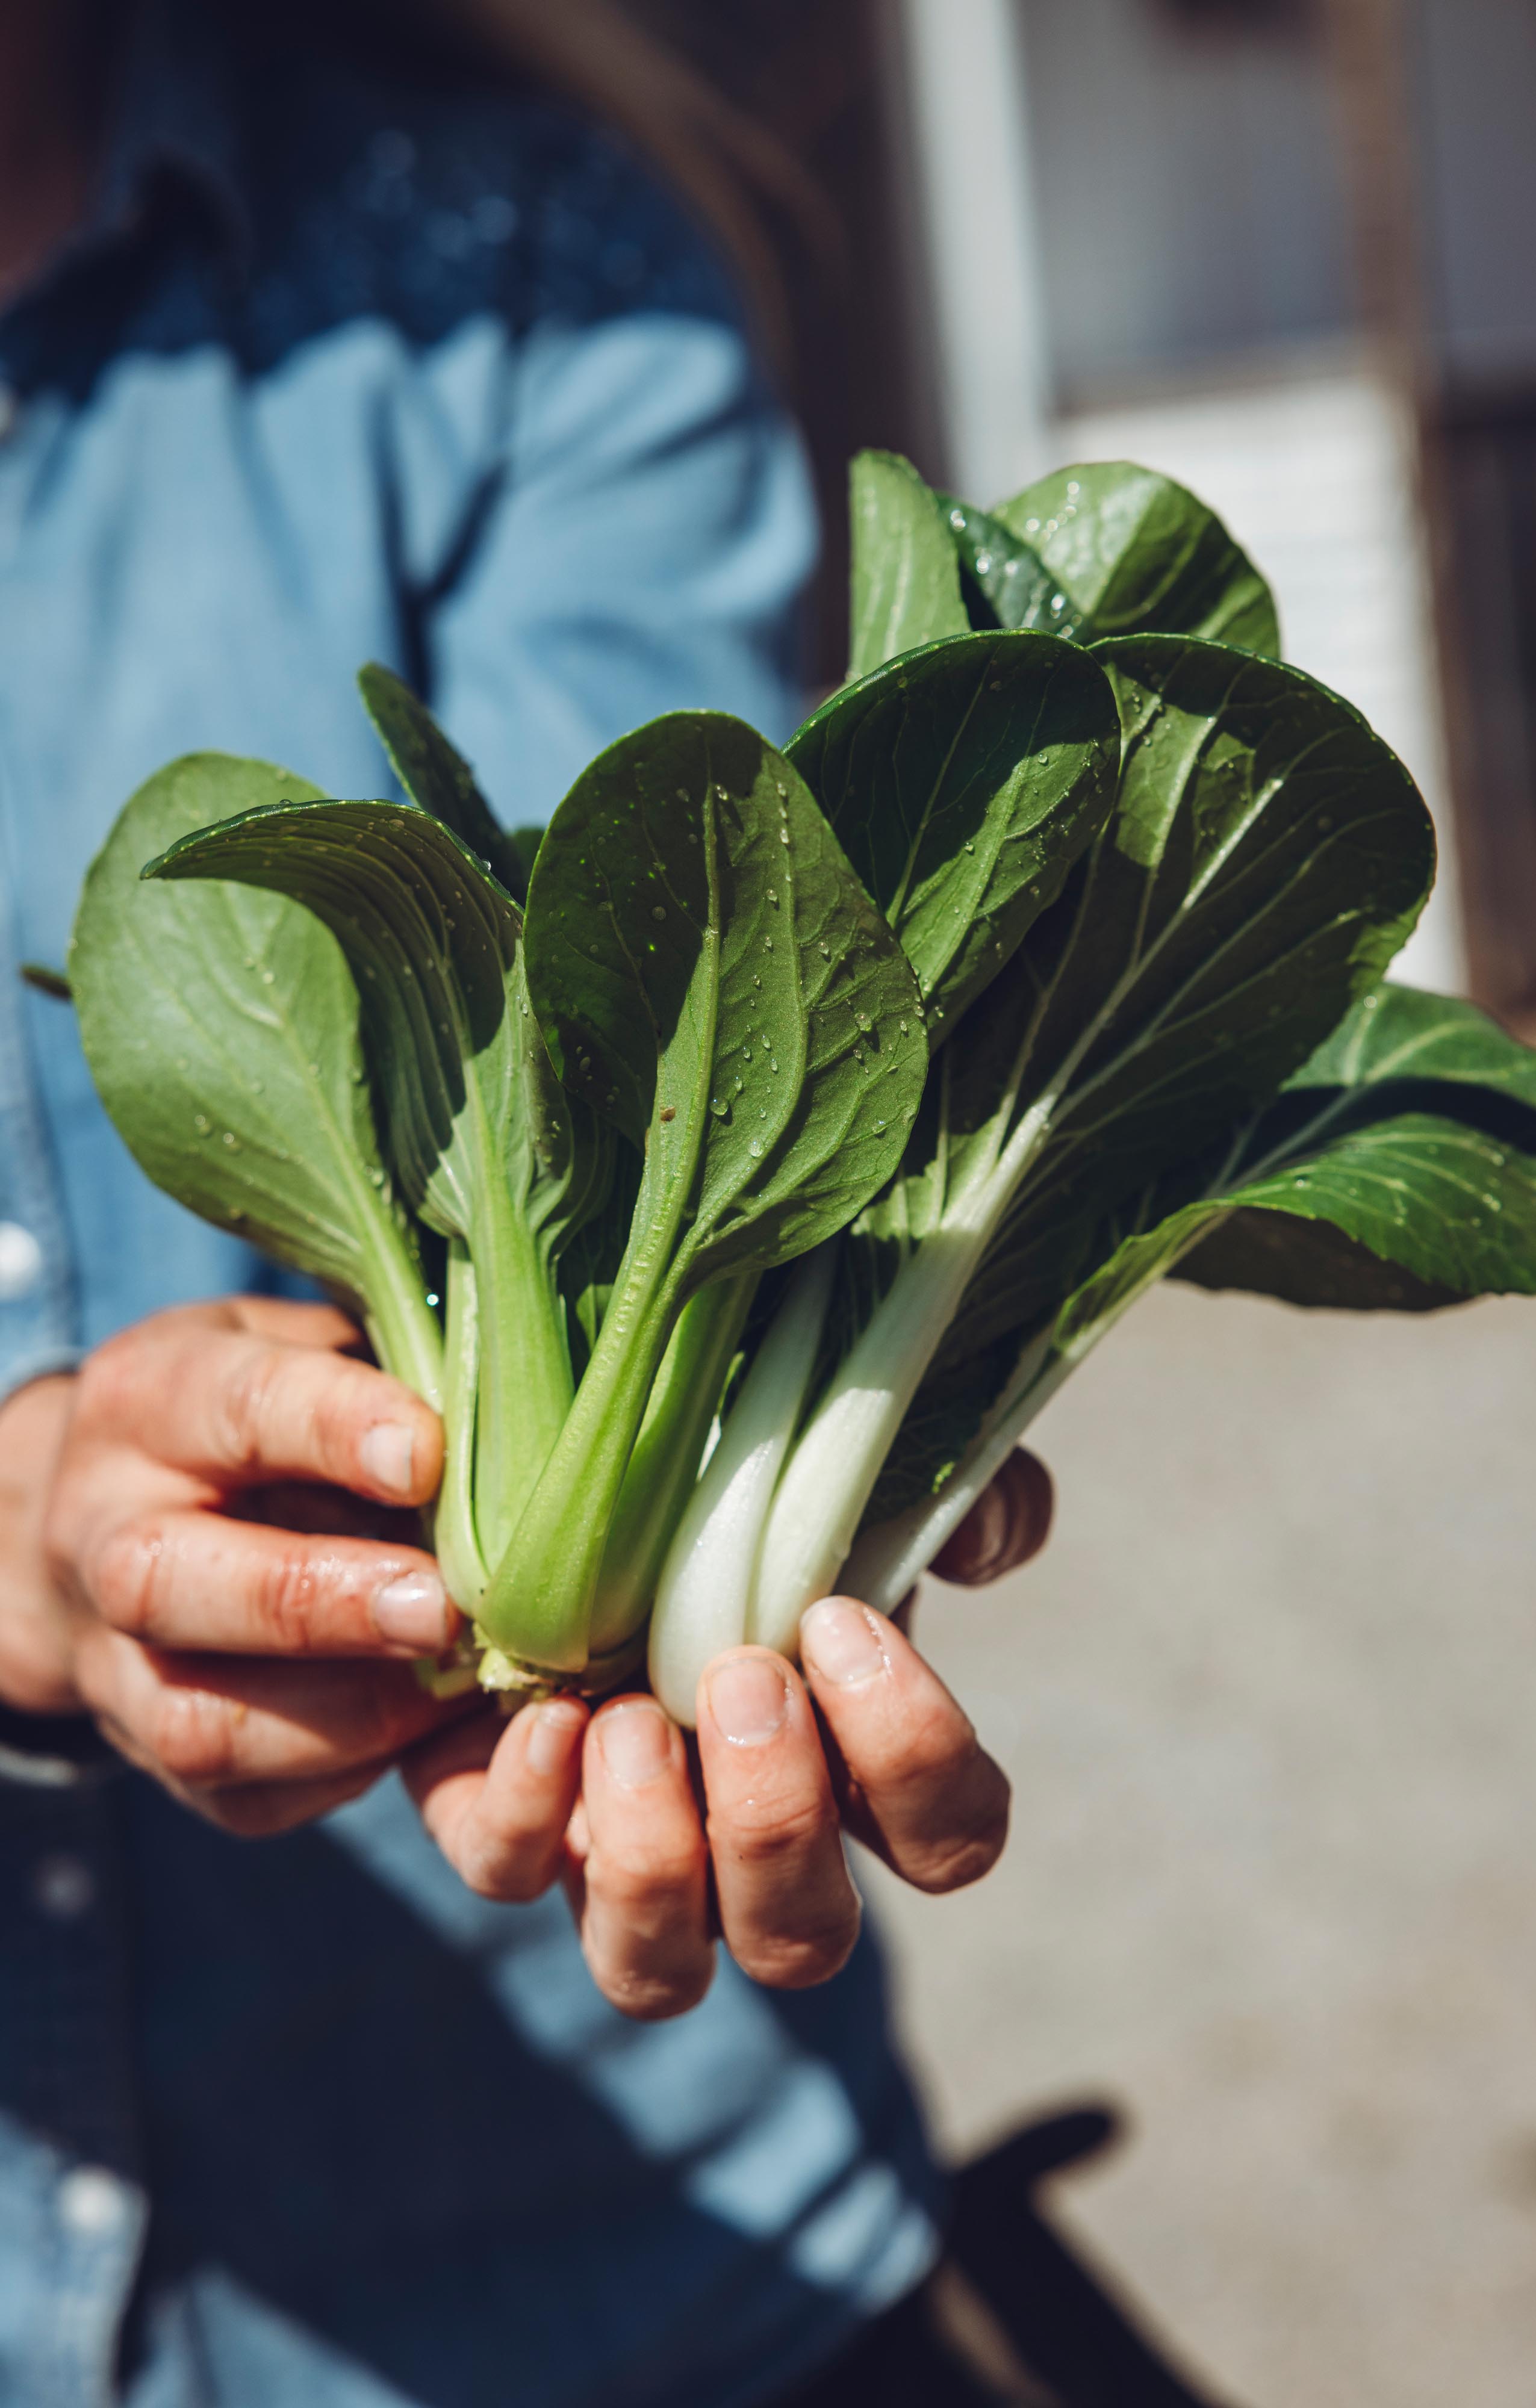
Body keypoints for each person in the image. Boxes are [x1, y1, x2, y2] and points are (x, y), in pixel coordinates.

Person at [0, 2, 1050, 2400]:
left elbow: (659, 1013)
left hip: (638, 2293)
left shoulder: (517, 261)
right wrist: (29, 1542)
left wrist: (868, 1343)